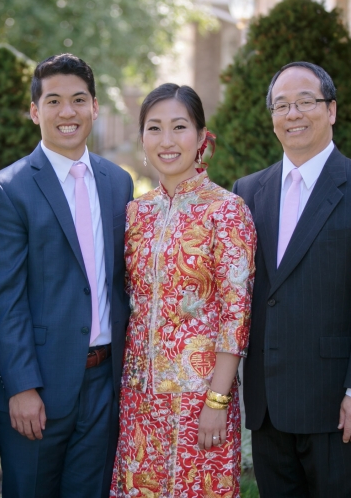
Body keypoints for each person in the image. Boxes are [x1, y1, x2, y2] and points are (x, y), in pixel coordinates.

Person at [232, 62, 351, 497]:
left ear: (331, 110)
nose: (292, 113)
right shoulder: (247, 192)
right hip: (268, 406)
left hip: (337, 406)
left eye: (305, 102)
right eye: (281, 105)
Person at [0, 53, 134, 498]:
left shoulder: (118, 182)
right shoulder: (8, 190)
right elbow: (4, 300)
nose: (68, 112)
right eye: (54, 101)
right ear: (34, 111)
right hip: (39, 387)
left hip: (104, 383)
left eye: (79, 100)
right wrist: (22, 386)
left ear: (95, 107)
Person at [110, 83, 256, 497]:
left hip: (201, 400)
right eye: (155, 128)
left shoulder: (226, 210)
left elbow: (236, 314)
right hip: (139, 401)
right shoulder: (135, 213)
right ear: (142, 139)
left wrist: (217, 402)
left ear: (201, 136)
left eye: (179, 127)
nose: (167, 140)